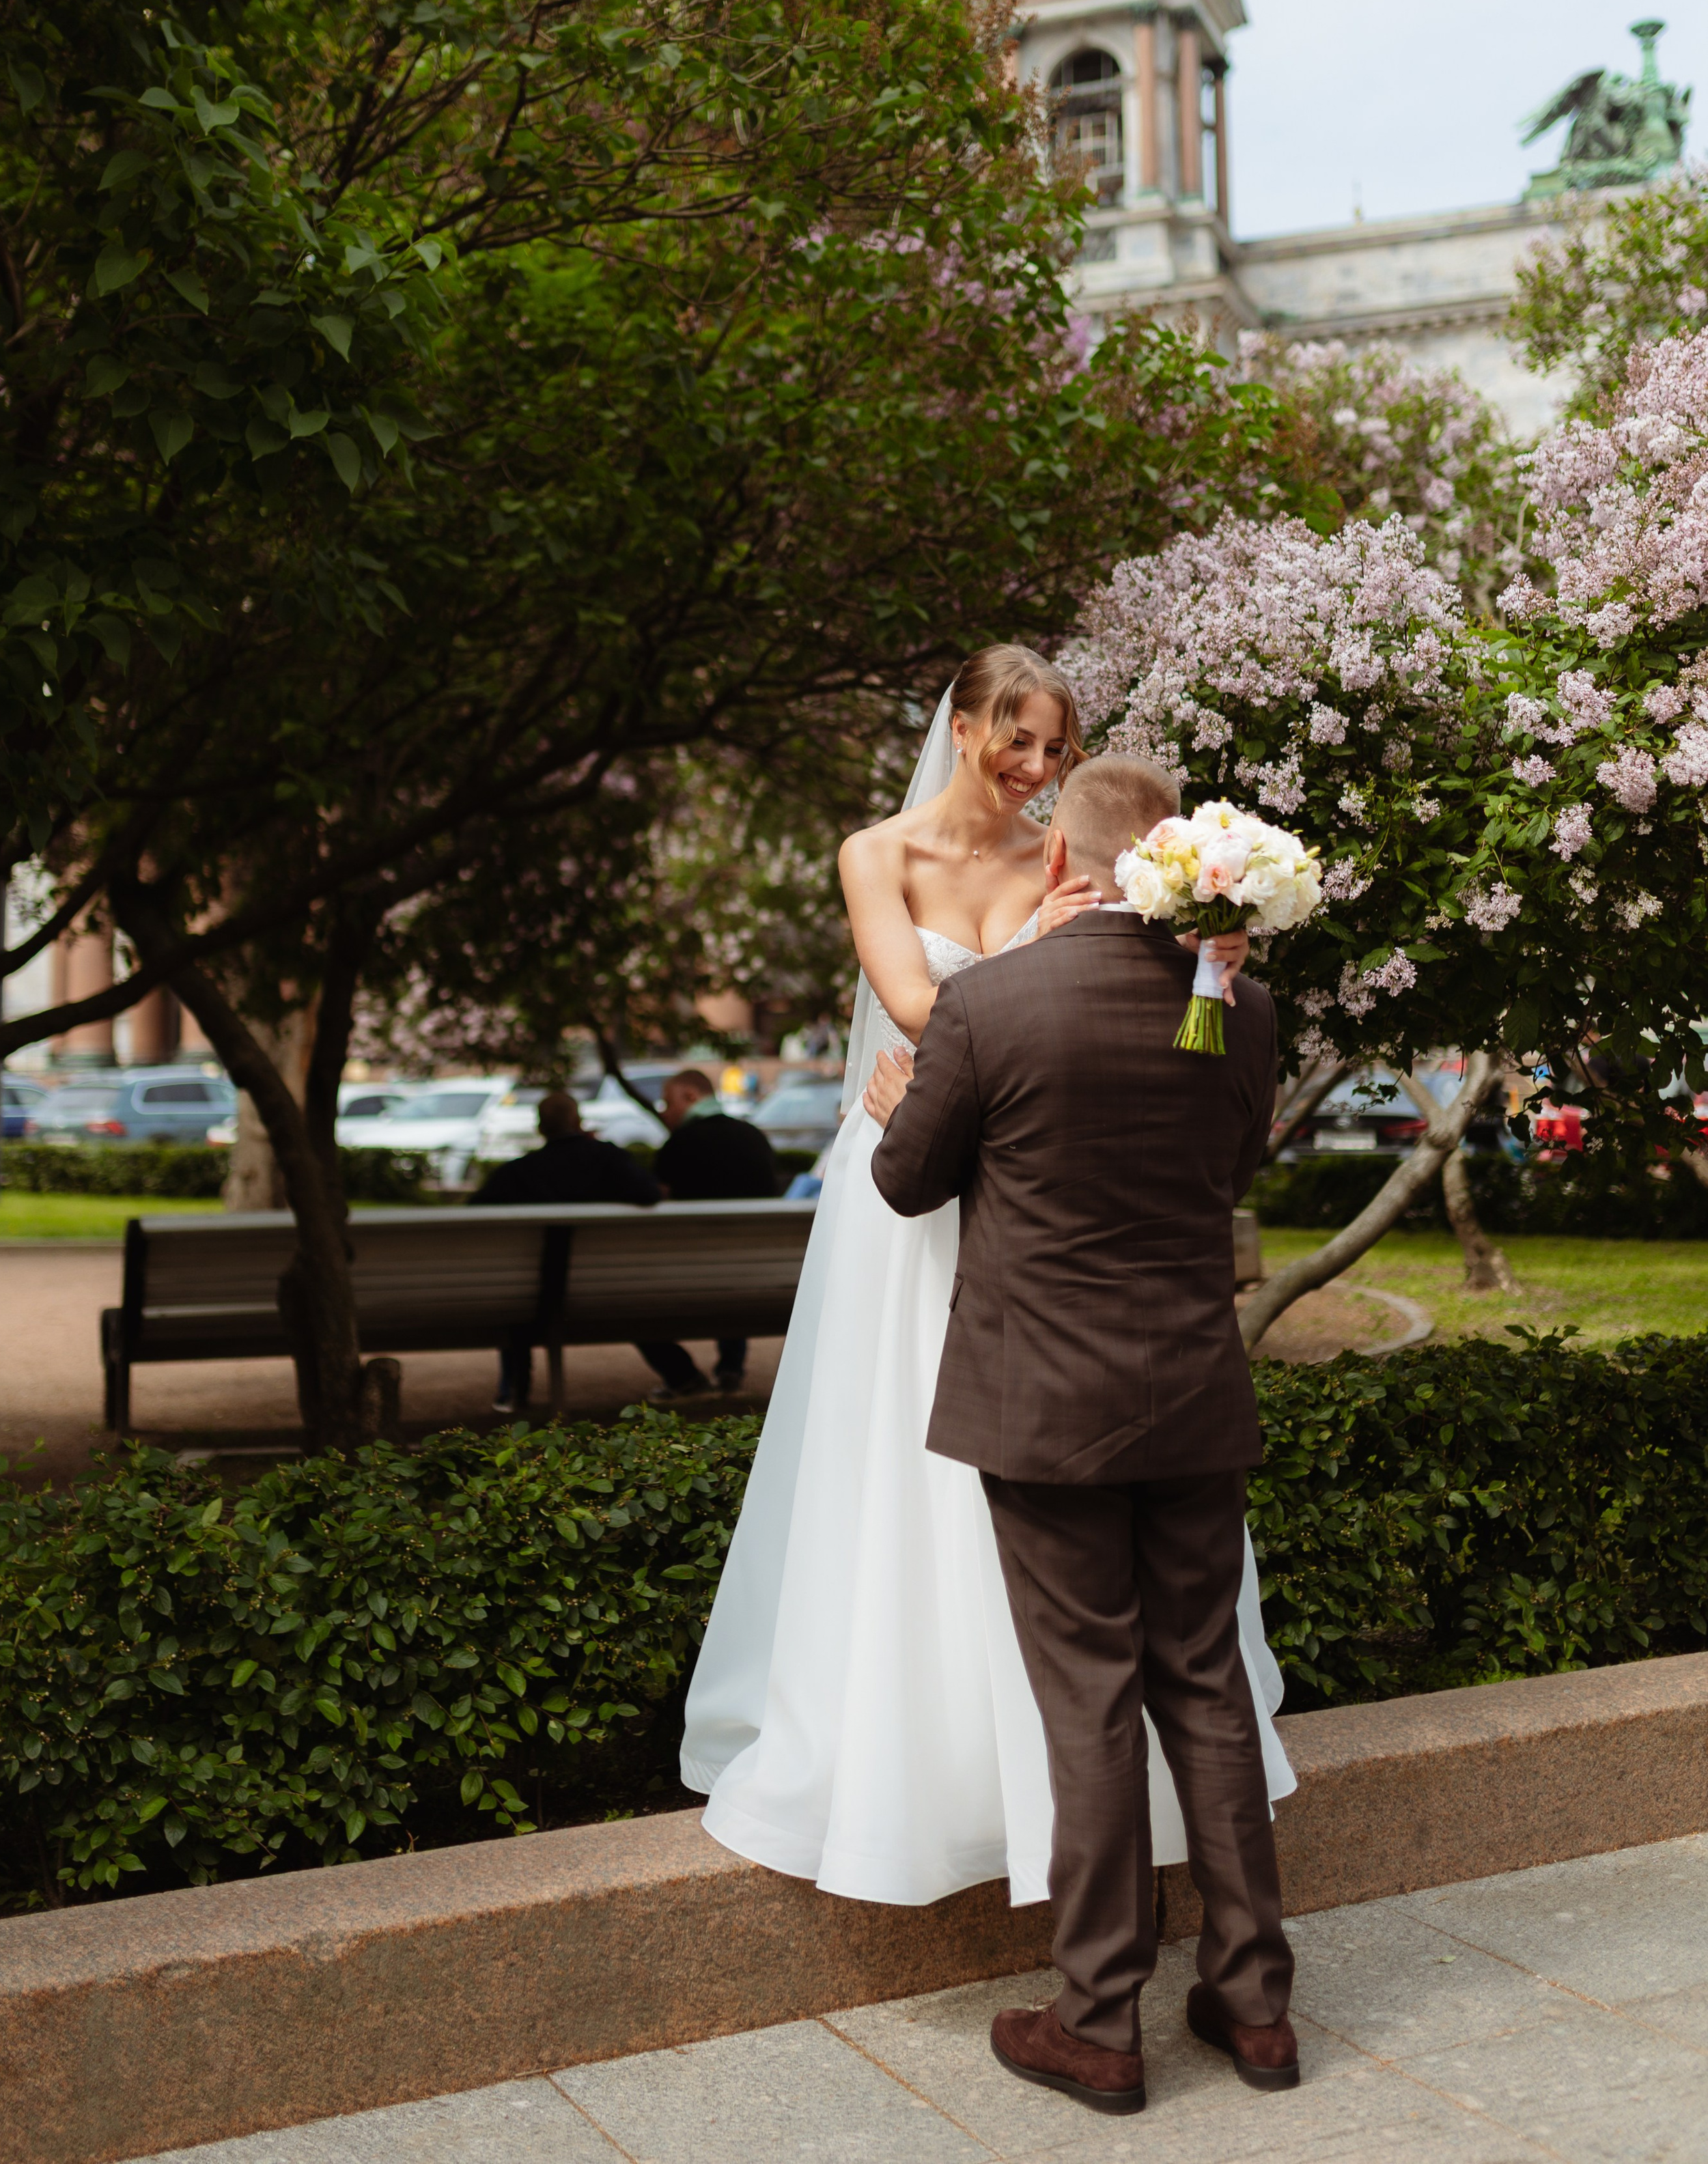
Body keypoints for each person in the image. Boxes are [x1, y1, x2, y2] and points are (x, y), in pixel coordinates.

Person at [680, 646, 1292, 1911]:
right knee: (908, 1463)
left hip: (1029, 1173)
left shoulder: (1070, 851)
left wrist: (1084, 956)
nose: (1035, 768)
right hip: (912, 1179)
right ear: (959, 728)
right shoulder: (878, 854)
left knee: (1040, 1477)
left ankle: (1063, 1794)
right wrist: (1034, 956)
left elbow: (1116, 1002)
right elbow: (915, 1005)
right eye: (1016, 740)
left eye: (1056, 749)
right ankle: (918, 1759)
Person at [870, 752, 1298, 2116]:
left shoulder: (990, 1005)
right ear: (1169, 860)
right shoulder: (1232, 1005)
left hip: (1047, 1411)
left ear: (1060, 857)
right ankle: (1253, 2005)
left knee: (1089, 1708)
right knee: (1206, 1690)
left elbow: (906, 1182)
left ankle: (1097, 2021)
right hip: (1188, 1397)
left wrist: (898, 1110)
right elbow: (1224, 1173)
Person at [471, 1090, 659, 1414]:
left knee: (518, 1305)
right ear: (578, 1121)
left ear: (541, 1129)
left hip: (539, 1297)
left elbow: (474, 1209)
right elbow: (649, 1192)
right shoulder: (607, 1160)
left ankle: (515, 1391)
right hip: (609, 1289)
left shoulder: (520, 1172)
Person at [638, 1068, 781, 1399]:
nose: (664, 1111)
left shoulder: (679, 1144)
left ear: (690, 1097)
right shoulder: (753, 1136)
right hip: (756, 1274)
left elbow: (659, 1197)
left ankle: (683, 1376)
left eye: (667, 1102)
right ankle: (730, 1368)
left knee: (620, 1301)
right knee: (733, 1265)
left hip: (689, 1274)